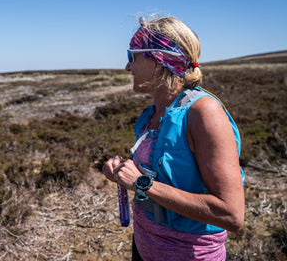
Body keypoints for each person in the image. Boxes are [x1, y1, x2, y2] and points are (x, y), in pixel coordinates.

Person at [103, 16, 244, 261]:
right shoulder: (153, 112)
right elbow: (163, 175)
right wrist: (124, 172)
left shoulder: (203, 112)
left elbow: (231, 215)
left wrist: (142, 183)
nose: (127, 67)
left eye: (132, 56)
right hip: (145, 246)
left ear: (158, 62)